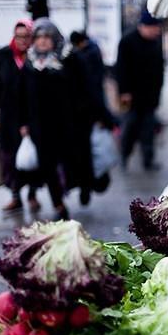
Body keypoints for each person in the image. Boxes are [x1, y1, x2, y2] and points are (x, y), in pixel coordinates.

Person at [0, 19, 41, 213]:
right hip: (9, 116)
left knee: (31, 157)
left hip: (32, 116)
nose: (22, 41)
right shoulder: (5, 55)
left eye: (26, 37)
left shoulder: (36, 57)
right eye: (18, 37)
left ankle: (33, 194)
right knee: (10, 157)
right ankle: (15, 196)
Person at [20, 19, 69, 220]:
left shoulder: (63, 63)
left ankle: (40, 193)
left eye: (47, 37)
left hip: (59, 125)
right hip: (36, 126)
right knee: (45, 164)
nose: (42, 42)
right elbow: (20, 96)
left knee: (53, 163)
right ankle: (58, 204)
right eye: (38, 37)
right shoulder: (29, 64)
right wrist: (23, 123)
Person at [66, 30, 114, 205]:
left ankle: (84, 185)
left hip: (83, 116)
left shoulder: (78, 58)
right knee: (89, 152)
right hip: (87, 113)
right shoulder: (90, 53)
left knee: (85, 153)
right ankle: (87, 185)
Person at [115, 8, 165, 171]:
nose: (156, 31)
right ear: (143, 26)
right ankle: (124, 155)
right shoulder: (127, 41)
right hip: (132, 96)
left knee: (148, 130)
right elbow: (121, 69)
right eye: (153, 28)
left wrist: (158, 93)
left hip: (150, 95)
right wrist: (124, 92)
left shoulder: (156, 42)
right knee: (130, 128)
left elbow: (159, 69)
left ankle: (148, 160)